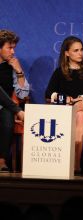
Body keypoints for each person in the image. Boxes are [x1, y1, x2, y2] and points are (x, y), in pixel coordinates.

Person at [45, 36, 83, 174]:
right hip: (65, 111)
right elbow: (48, 93)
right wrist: (65, 99)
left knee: (81, 114)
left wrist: (78, 100)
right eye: (76, 50)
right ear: (67, 53)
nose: (80, 53)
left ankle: (76, 166)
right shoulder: (59, 72)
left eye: (82, 50)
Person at [0, 29, 29, 172]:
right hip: (11, 107)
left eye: (14, 48)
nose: (12, 52)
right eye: (9, 48)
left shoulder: (11, 67)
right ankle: (17, 111)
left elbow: (23, 95)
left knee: (7, 117)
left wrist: (19, 71)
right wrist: (18, 110)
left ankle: (1, 160)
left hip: (5, 107)